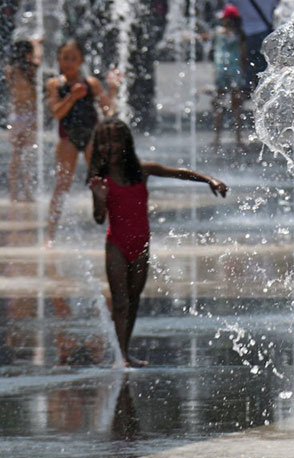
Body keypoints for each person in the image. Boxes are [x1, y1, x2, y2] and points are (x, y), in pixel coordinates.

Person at [87, 118, 228, 367]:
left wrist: (209, 180)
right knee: (120, 302)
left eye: (115, 140)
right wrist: (99, 199)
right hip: (117, 245)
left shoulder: (142, 170)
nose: (109, 147)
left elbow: (178, 173)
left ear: (125, 143)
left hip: (141, 246)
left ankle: (125, 352)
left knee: (133, 300)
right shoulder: (101, 180)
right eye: (104, 142)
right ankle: (120, 358)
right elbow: (99, 219)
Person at [46, 39, 118, 242]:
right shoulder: (55, 84)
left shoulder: (91, 83)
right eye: (65, 58)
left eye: (73, 58)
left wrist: (112, 90)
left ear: (81, 61)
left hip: (91, 137)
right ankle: (50, 235)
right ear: (59, 60)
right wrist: (72, 97)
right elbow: (57, 113)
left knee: (102, 183)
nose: (68, 62)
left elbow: (108, 111)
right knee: (61, 186)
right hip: (67, 138)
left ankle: (115, 229)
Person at [4, 40, 38, 203]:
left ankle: (14, 193)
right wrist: (37, 45)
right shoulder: (29, 69)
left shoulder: (11, 70)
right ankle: (25, 191)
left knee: (18, 155)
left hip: (17, 115)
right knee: (26, 156)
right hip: (28, 114)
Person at [211, 4, 247, 149]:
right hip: (235, 72)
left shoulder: (219, 33)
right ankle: (238, 139)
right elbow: (243, 56)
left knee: (219, 106)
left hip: (221, 72)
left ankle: (217, 139)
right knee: (237, 107)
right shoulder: (240, 35)